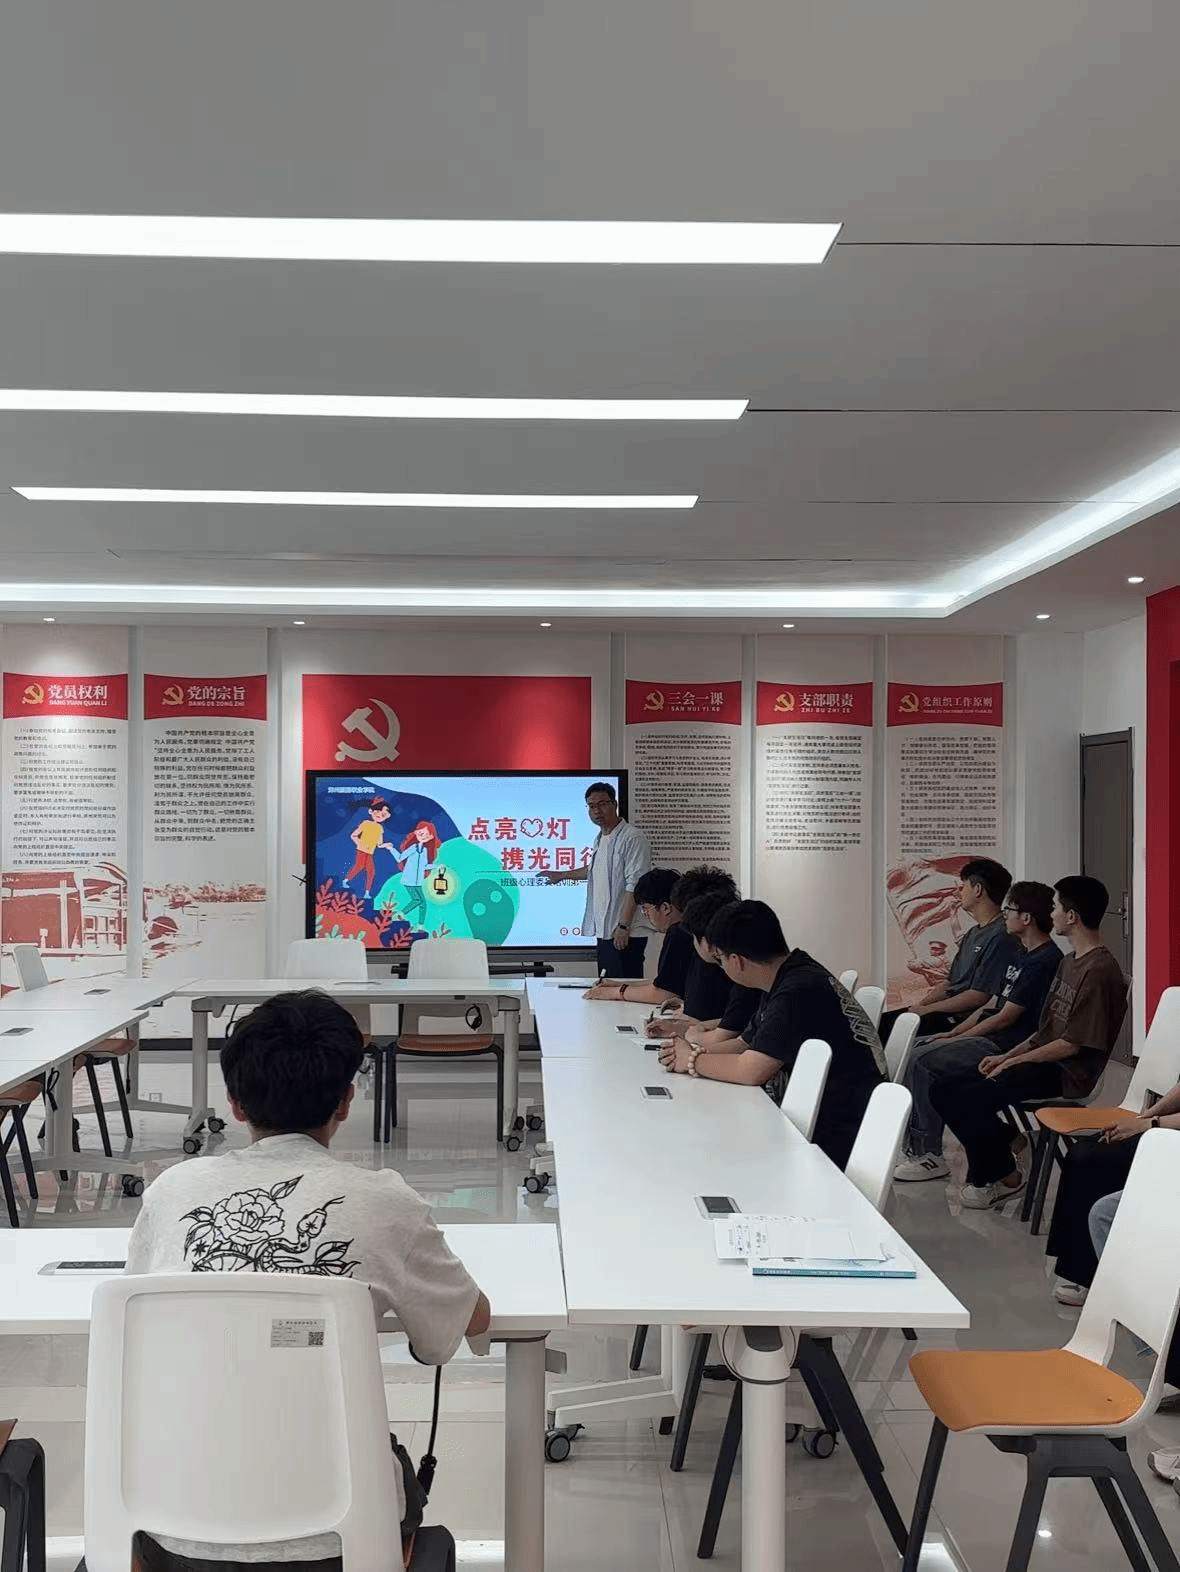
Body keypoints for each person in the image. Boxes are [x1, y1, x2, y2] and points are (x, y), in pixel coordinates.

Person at [126, 990, 490, 1564]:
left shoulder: (173, 1190)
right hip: (342, 1537)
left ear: (235, 1104)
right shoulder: (385, 1203)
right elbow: (464, 1325)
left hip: (176, 1525)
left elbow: (139, 1319)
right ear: (346, 1101)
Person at [929, 875, 1127, 1209]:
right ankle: (1011, 1148)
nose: (1051, 914)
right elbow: (1045, 1030)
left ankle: (1000, 1178)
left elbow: (1071, 1045)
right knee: (943, 1088)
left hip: (1066, 1073)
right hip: (1043, 1059)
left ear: (1072, 916)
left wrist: (1014, 1061)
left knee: (969, 1097)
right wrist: (1008, 1056)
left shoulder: (1100, 970)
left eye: (1056, 907)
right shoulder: (1069, 962)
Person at [659, 900, 886, 1169]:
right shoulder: (790, 974)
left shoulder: (797, 991)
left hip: (837, 1138)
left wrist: (692, 1061)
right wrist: (686, 1051)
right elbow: (744, 1045)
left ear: (737, 961)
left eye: (721, 959)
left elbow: (750, 1070)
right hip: (827, 1118)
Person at [893, 881, 1061, 1182]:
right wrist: (953, 1033)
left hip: (1005, 1044)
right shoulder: (1021, 954)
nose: (1004, 914)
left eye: (1009, 909)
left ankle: (928, 1153)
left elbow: (1005, 1018)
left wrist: (960, 1037)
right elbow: (993, 1004)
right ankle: (1006, 1137)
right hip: (990, 1036)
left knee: (921, 1061)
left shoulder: (1045, 961)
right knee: (916, 1048)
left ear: (1026, 918)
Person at [1046, 1081, 1180, 1306]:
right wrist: (1141, 1119)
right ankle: (1084, 1272)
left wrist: (1150, 1124)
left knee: (1097, 1163)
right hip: (1165, 1130)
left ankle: (1096, 1279)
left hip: (1170, 1138)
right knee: (1083, 1154)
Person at [878, 857, 1015, 1044]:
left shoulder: (1002, 936)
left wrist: (926, 1010)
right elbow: (949, 983)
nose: (959, 892)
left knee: (884, 1032)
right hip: (941, 1012)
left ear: (978, 890)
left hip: (959, 1020)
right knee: (876, 1025)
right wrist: (918, 1007)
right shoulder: (973, 934)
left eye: (963, 886)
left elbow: (978, 997)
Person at [541, 782, 651, 979]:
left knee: (622, 988)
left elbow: (635, 885)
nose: (597, 811)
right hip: (606, 931)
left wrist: (624, 926)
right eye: (592, 806)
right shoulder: (600, 838)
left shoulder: (632, 837)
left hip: (625, 932)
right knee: (607, 985)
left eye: (602, 804)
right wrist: (561, 875)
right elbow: (593, 871)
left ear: (614, 804)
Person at [585, 866, 736, 1007]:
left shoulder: (680, 932)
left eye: (646, 909)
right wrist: (620, 986)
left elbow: (664, 993)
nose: (646, 916)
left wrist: (615, 992)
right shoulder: (687, 930)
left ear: (665, 907)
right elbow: (666, 984)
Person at [644, 891, 760, 1049]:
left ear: (708, 943)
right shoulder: (753, 970)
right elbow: (736, 1026)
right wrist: (689, 1028)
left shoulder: (743, 978)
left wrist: (691, 1042)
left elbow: (728, 1037)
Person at [343, 796, 392, 896]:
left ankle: (367, 893)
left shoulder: (380, 828)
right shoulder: (366, 823)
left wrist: (386, 845)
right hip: (361, 851)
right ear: (371, 811)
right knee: (359, 866)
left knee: (371, 871)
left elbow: (379, 844)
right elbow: (353, 835)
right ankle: (345, 881)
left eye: (383, 815)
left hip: (370, 853)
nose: (379, 815)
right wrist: (361, 844)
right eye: (377, 812)